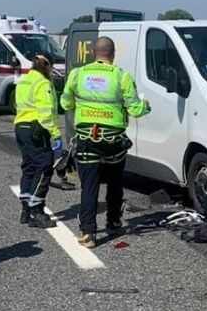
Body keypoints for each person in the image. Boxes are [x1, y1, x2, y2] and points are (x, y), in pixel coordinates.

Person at [60, 37, 149, 248]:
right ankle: (114, 221)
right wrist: (146, 105)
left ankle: (88, 233)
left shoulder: (77, 74)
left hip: (87, 140)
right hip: (114, 142)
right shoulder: (122, 77)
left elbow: (65, 102)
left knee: (89, 186)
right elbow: (136, 110)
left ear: (94, 53)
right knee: (115, 181)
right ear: (113, 54)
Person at [14, 52, 62, 229]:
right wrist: (55, 133)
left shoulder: (24, 80)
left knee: (29, 167)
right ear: (47, 66)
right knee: (44, 167)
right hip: (36, 128)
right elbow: (45, 111)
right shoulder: (43, 83)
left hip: (21, 127)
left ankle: (26, 211)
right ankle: (37, 211)